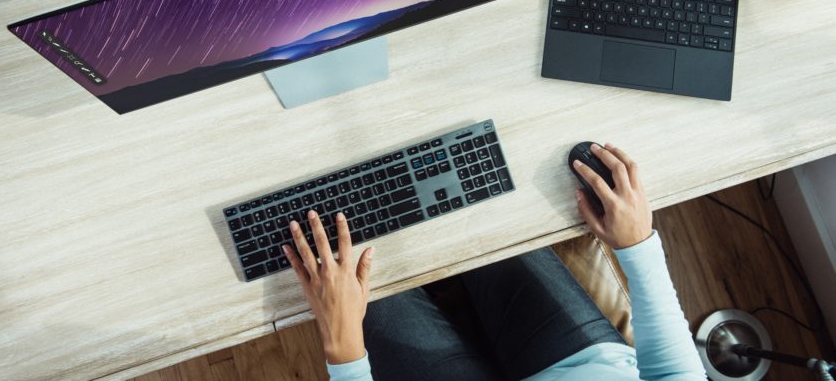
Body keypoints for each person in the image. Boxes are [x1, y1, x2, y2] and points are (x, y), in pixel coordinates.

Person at [281, 143, 707, 380]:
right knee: (477, 194)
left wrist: (344, 350)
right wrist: (637, 246)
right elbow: (674, 374)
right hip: (579, 364)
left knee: (340, 255)